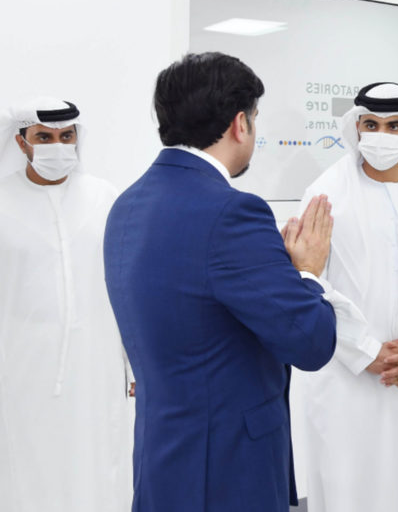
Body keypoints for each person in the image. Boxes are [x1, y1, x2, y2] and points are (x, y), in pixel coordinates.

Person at [103, 52, 339, 512]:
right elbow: (312, 342)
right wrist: (308, 271)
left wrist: (279, 275)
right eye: (254, 118)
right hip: (228, 468)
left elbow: (199, 312)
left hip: (162, 455)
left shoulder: (126, 205)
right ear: (239, 124)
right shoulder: (233, 212)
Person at [299, 82, 398, 512]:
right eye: (371, 124)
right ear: (355, 126)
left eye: (395, 126)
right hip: (346, 374)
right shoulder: (325, 196)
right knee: (352, 487)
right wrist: (367, 351)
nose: (381, 135)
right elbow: (311, 284)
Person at [0, 98, 134, 512]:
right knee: (27, 465)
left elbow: (125, 284)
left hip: (97, 365)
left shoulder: (104, 197)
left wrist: (134, 361)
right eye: (45, 137)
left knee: (96, 461)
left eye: (66, 137)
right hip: (20, 365)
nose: (58, 147)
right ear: (22, 143)